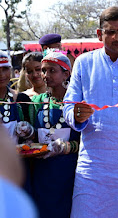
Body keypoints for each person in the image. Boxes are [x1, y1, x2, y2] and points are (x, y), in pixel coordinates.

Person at [63, 6, 118, 218]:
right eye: (111, 32)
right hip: (92, 169)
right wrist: (76, 114)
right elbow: (68, 104)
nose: (117, 37)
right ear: (99, 34)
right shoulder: (84, 63)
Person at [30, 51, 80, 218]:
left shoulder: (77, 103)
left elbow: (88, 141)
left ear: (66, 73)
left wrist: (65, 147)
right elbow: (31, 138)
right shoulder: (37, 102)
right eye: (43, 70)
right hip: (42, 171)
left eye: (52, 70)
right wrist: (28, 132)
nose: (45, 75)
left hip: (68, 173)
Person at [0, 51, 31, 142]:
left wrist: (29, 132)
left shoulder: (21, 99)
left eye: (5, 69)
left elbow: (31, 139)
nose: (1, 74)